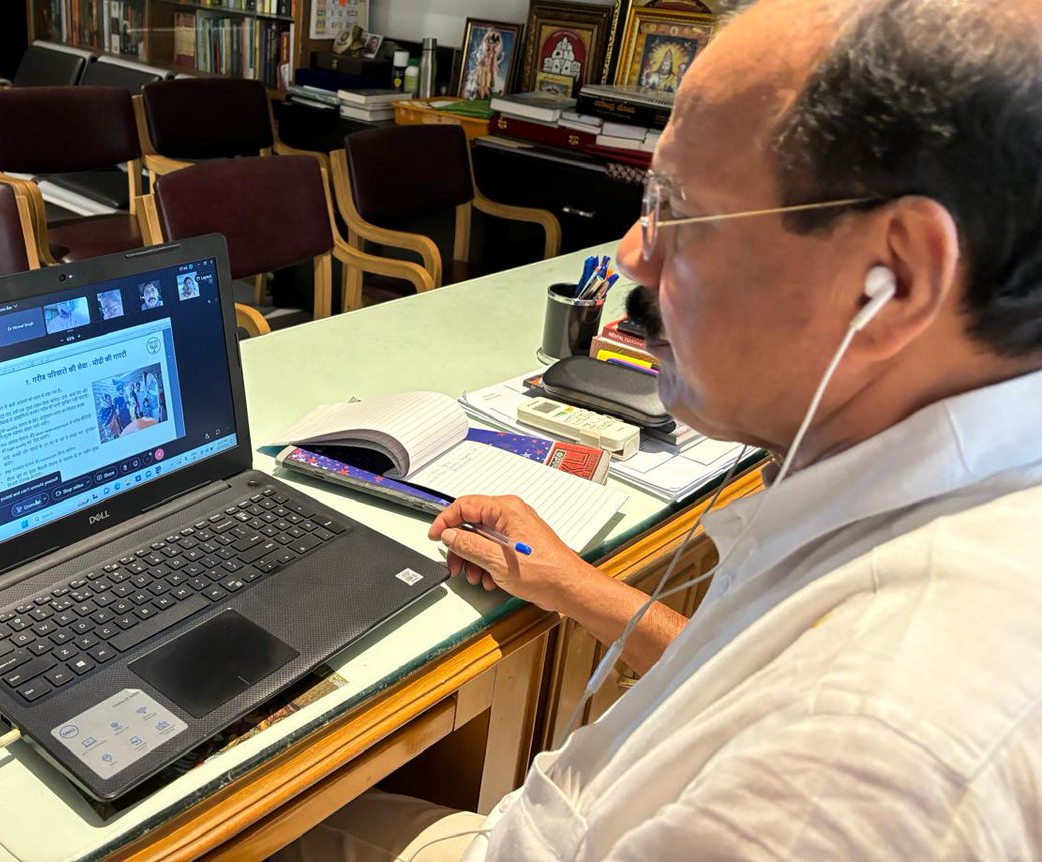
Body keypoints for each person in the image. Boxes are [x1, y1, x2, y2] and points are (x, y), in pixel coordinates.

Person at [279, 0, 1042, 858]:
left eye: (678, 207)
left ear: (894, 278)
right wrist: (575, 584)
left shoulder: (849, 773)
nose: (636, 252)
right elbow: (743, 678)